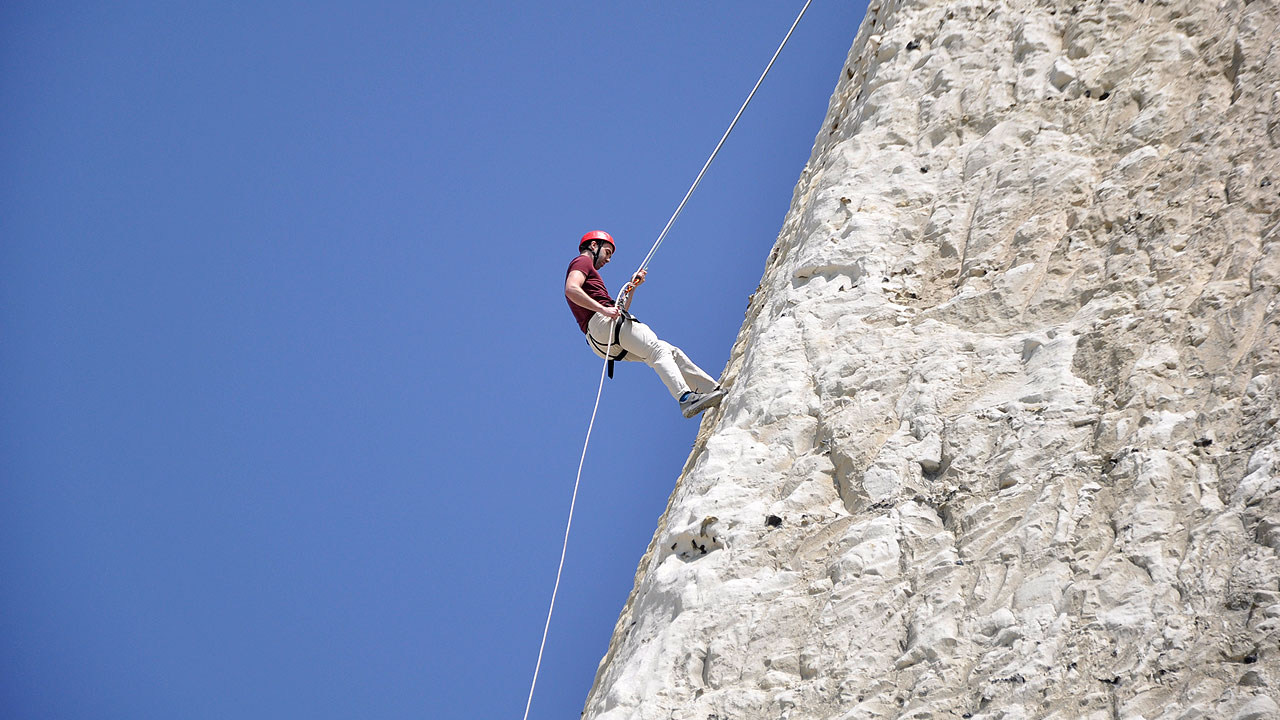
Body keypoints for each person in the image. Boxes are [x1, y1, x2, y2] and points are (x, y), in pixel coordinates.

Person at [564, 230, 725, 418]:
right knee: (657, 350)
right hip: (603, 324)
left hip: (602, 339)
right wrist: (603, 310)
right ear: (594, 246)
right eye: (607, 252)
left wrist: (632, 288)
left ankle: (712, 390)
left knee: (668, 352)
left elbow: (619, 310)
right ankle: (686, 397)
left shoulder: (590, 276)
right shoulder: (582, 261)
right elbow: (571, 288)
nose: (608, 259)